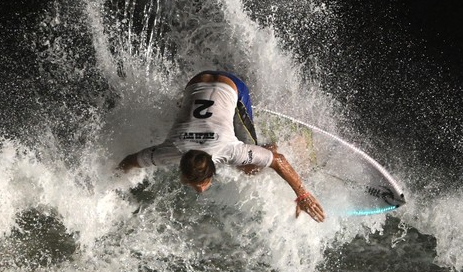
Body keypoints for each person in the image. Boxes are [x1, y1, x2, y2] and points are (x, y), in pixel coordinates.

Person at [118, 71, 326, 222]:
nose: (199, 190)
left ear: (213, 168)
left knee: (249, 169)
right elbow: (129, 161)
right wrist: (113, 181)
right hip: (196, 81)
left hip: (231, 85)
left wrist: (303, 195)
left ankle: (291, 139)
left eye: (199, 183)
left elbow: (278, 160)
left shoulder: (230, 150)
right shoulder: (169, 151)